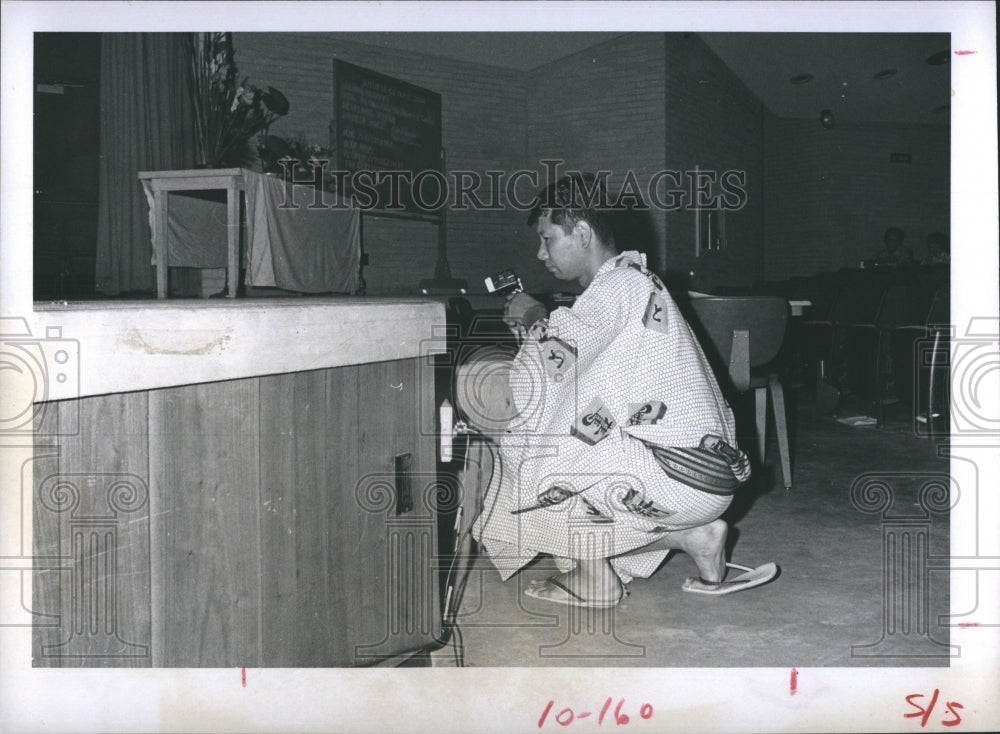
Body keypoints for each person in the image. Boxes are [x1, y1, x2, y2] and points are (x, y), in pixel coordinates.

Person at [470, 173, 776, 607]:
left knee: (533, 438)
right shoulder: (636, 281)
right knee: (576, 427)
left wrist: (535, 314)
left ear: (581, 232)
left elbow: (556, 379)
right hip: (707, 480)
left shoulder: (619, 286)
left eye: (547, 238)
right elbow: (582, 374)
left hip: (674, 477)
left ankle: (595, 579)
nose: (541, 254)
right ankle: (693, 538)